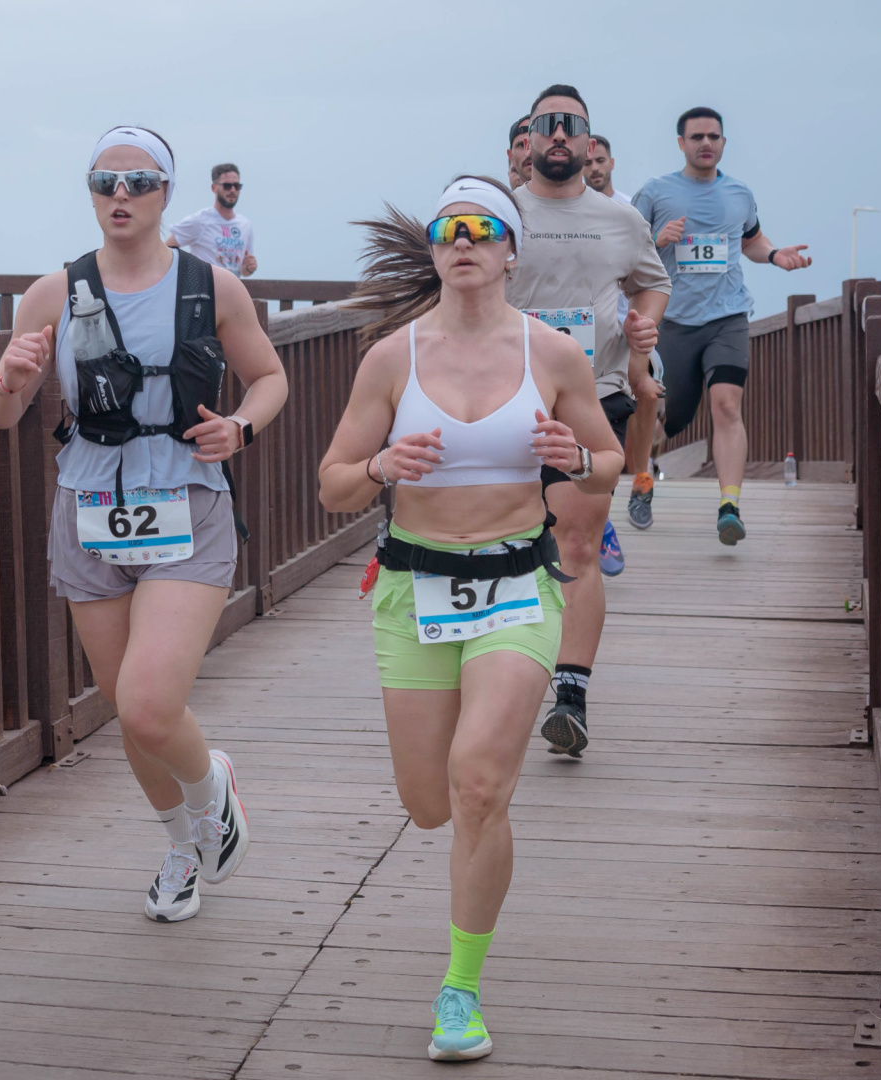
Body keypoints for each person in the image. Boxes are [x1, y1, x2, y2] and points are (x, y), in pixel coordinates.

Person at [321, 176, 624, 1061]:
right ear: (435, 250)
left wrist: (578, 456)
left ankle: (460, 989)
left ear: (509, 249)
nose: (464, 242)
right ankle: (463, 855)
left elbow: (608, 461)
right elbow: (333, 484)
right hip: (412, 585)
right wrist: (380, 463)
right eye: (449, 229)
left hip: (517, 586)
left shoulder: (552, 355)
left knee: (480, 782)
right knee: (427, 804)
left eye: (482, 228)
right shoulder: (391, 359)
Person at [0, 126, 288, 923]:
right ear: (89, 192)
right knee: (126, 706)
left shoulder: (213, 286)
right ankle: (181, 848)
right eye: (105, 181)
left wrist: (241, 429)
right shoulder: (52, 294)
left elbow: (268, 379)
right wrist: (11, 380)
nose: (121, 195)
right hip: (89, 508)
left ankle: (212, 785)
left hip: (187, 499)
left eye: (140, 182)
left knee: (152, 703)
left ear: (165, 193)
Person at [508, 85, 669, 758]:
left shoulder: (620, 218)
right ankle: (506, 675)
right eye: (547, 124)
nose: (558, 135)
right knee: (508, 549)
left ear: (588, 139)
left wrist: (646, 327)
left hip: (592, 397)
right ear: (530, 136)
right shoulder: (499, 212)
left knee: (576, 547)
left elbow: (652, 281)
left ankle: (569, 696)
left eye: (570, 126)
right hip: (505, 401)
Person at [632, 106, 811, 545]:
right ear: (681, 144)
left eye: (713, 136)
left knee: (727, 405)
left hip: (728, 317)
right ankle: (642, 479)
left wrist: (774, 255)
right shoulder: (656, 193)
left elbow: (750, 240)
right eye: (697, 137)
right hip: (673, 321)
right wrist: (659, 240)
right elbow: (628, 249)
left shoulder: (739, 194)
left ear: (724, 143)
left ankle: (729, 506)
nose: (706, 143)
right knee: (664, 417)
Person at [586, 134, 666, 531]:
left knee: (647, 391)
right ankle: (602, 514)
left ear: (612, 163)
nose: (595, 168)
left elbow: (653, 277)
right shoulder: (570, 214)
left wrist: (641, 324)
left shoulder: (628, 213)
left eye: (601, 160)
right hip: (587, 341)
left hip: (630, 332)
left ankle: (642, 479)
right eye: (590, 162)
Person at [167, 163, 258, 277]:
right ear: (214, 188)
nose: (233, 190)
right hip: (205, 292)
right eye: (227, 186)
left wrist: (248, 268)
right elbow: (168, 247)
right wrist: (183, 275)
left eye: (237, 186)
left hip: (232, 291)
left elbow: (243, 271)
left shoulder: (245, 225)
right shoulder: (200, 221)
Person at [505, 116, 532, 189]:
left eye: (534, 143)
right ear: (511, 156)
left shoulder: (564, 198)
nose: (528, 152)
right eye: (521, 145)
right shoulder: (505, 200)